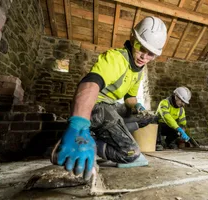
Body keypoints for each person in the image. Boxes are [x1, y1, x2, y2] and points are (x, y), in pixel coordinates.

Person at [50, 16, 167, 180]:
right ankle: (86, 139)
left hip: (111, 106)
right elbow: (90, 84)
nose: (144, 57)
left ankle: (104, 133)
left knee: (149, 117)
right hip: (97, 107)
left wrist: (138, 107)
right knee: (130, 152)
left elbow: (130, 98)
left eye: (151, 54)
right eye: (141, 48)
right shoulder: (116, 59)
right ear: (133, 39)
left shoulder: (139, 70)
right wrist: (78, 123)